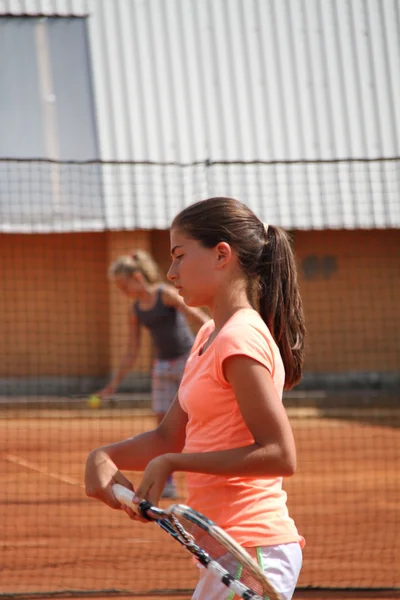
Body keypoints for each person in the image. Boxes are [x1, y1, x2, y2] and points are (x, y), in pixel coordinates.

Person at [85, 197, 306, 599]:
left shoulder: (240, 338)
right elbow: (168, 436)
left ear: (222, 254)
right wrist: (104, 457)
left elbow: (279, 453)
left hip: (252, 547)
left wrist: (172, 463)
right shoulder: (208, 337)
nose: (170, 272)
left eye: (180, 256)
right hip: (222, 547)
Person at [96, 249, 209, 498]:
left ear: (137, 278)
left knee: (198, 422)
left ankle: (207, 479)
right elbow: (131, 351)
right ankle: (167, 482)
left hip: (187, 362)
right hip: (161, 368)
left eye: (123, 285)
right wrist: (113, 384)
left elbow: (198, 317)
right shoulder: (135, 311)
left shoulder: (165, 295)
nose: (121, 291)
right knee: (161, 427)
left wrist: (216, 339)